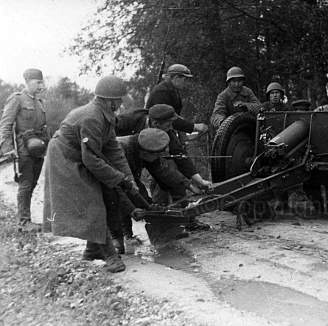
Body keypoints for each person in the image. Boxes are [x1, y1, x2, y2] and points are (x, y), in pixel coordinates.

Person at [43, 75, 136, 273]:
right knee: (92, 203)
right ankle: (110, 256)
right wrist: (120, 179)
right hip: (65, 158)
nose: (121, 103)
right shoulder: (92, 117)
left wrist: (130, 179)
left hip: (79, 155)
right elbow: (92, 159)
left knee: (103, 197)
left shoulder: (106, 116)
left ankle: (92, 250)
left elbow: (113, 150)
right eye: (119, 99)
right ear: (110, 100)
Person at [110, 127, 192, 253]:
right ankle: (118, 239)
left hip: (125, 181)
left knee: (144, 202)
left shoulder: (146, 146)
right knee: (115, 202)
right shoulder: (121, 150)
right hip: (104, 181)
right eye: (157, 155)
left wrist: (189, 184)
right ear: (145, 152)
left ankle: (130, 236)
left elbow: (164, 172)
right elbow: (122, 189)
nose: (159, 157)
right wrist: (138, 208)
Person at [0, 68, 48, 232]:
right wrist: (8, 149)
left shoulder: (40, 102)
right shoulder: (17, 99)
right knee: (26, 184)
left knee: (33, 183)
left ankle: (27, 219)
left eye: (42, 82)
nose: (40, 85)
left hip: (39, 147)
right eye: (37, 82)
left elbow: (44, 127)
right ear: (27, 82)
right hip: (24, 148)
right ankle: (23, 222)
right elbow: (5, 125)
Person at [148, 104, 211, 203]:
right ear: (156, 123)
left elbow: (180, 155)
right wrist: (189, 185)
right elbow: (162, 168)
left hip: (154, 165)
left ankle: (178, 206)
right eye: (168, 125)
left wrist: (199, 180)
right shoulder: (135, 127)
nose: (170, 128)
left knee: (170, 167)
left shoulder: (166, 131)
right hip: (123, 162)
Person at [144, 63, 208, 134]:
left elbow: (174, 115)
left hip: (163, 130)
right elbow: (166, 119)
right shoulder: (162, 92)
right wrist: (194, 127)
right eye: (185, 79)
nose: (186, 83)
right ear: (176, 78)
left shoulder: (172, 90)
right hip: (154, 133)